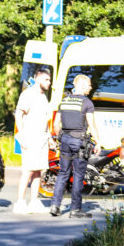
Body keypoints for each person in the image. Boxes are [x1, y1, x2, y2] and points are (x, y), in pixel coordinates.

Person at [50, 74, 101, 218]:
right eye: (89, 85)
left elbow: (55, 124)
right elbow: (92, 125)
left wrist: (60, 137)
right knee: (78, 175)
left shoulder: (64, 101)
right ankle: (75, 210)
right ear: (83, 85)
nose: (91, 88)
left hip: (64, 140)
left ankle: (55, 206)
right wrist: (98, 142)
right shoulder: (87, 103)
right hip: (79, 142)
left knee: (63, 173)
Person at [13, 67, 53, 214]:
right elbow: (18, 114)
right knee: (28, 170)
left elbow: (44, 120)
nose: (49, 83)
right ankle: (20, 203)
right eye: (46, 79)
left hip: (41, 139)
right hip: (30, 138)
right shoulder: (28, 94)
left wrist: (49, 137)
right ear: (38, 79)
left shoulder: (43, 96)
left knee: (38, 171)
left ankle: (34, 201)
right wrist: (22, 136)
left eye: (49, 80)